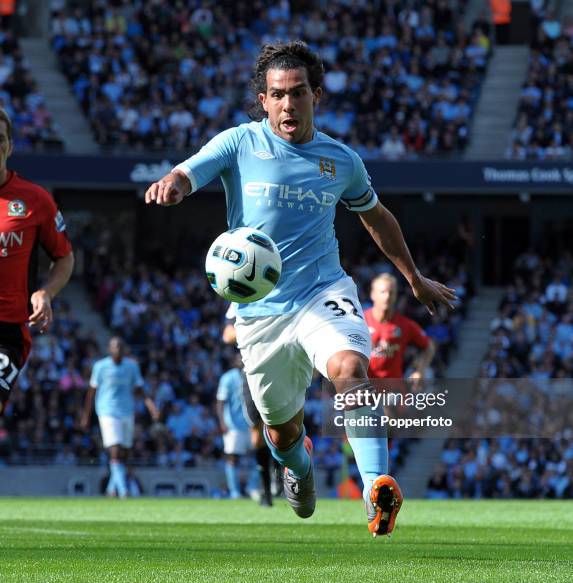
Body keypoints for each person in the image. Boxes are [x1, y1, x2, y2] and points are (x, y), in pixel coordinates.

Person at [145, 41, 455, 537]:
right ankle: (299, 465)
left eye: (298, 93)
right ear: (263, 100)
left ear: (316, 96)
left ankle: (376, 490)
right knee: (282, 431)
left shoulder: (341, 160)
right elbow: (190, 170)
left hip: (322, 292)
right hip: (259, 312)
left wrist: (413, 278)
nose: (288, 104)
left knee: (351, 368)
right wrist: (175, 184)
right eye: (277, 95)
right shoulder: (238, 143)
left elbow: (376, 218)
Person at [0, 108, 74, 415]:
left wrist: (47, 292)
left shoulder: (35, 200)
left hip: (7, 330)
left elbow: (64, 257)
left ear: (10, 146)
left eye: (0, 139)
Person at [82, 337, 159, 498]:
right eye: (114, 347)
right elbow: (91, 392)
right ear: (109, 350)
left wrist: (151, 407)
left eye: (120, 347)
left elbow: (140, 389)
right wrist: (86, 415)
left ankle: (111, 489)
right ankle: (124, 490)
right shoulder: (100, 366)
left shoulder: (132, 366)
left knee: (124, 452)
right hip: (107, 411)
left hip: (126, 411)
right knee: (115, 449)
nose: (117, 350)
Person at [222, 304, 279, 506]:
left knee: (282, 427)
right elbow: (228, 334)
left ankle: (281, 474)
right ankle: (266, 490)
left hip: (281, 367)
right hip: (252, 372)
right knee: (257, 433)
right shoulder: (241, 296)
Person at [366, 273, 435, 382]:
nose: (387, 296)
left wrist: (420, 370)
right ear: (373, 294)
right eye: (383, 292)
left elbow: (429, 347)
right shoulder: (359, 321)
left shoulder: (405, 325)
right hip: (364, 390)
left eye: (391, 292)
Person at [216, 352, 259, 500]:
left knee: (261, 456)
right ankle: (235, 492)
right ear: (234, 360)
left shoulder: (255, 376)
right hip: (233, 425)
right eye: (238, 357)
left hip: (252, 424)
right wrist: (222, 422)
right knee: (232, 458)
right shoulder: (227, 378)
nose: (241, 359)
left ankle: (252, 486)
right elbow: (220, 401)